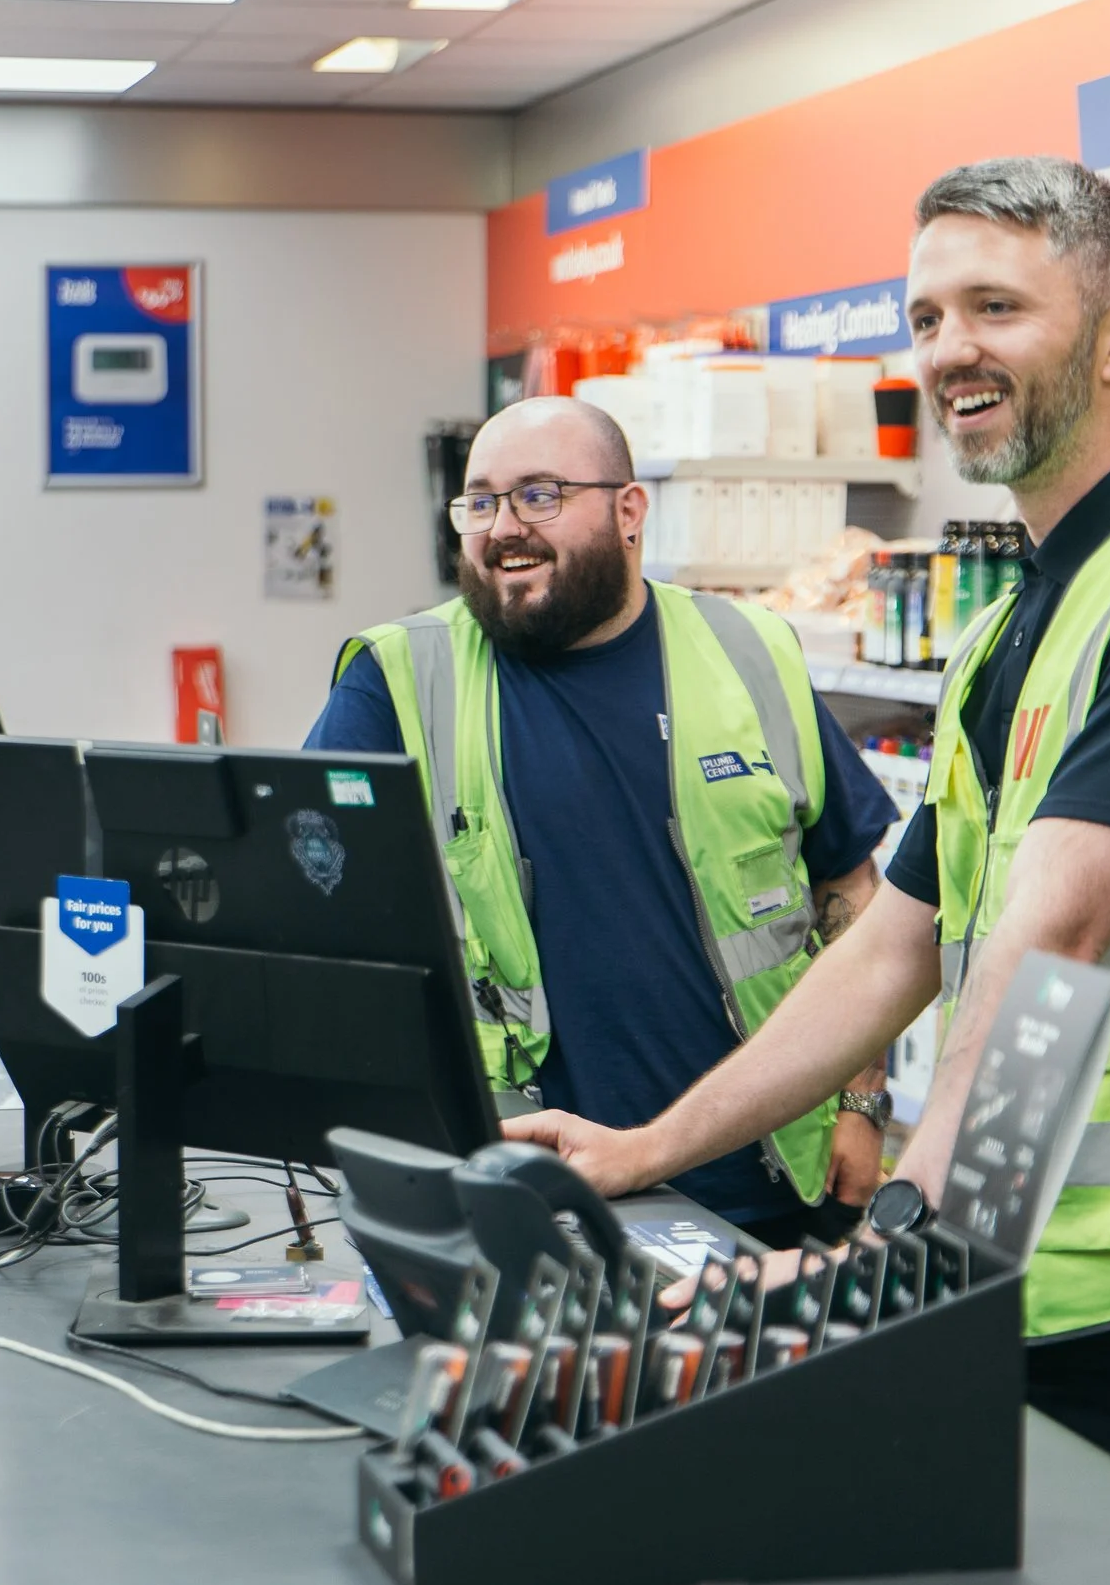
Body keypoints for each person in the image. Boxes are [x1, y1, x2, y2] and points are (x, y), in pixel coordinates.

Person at [505, 156, 1110, 1516]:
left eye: (997, 307)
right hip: (1014, 1278)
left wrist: (898, 1240)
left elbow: (1052, 936)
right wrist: (648, 1145)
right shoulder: (1019, 622)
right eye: (928, 316)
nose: (952, 349)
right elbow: (895, 944)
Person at [306, 394, 899, 1248]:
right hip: (527, 1191)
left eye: (539, 494)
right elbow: (311, 909)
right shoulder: (399, 680)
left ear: (629, 511)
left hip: (768, 1182)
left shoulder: (750, 650)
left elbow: (849, 882)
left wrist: (861, 1098)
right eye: (481, 501)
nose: (503, 527)